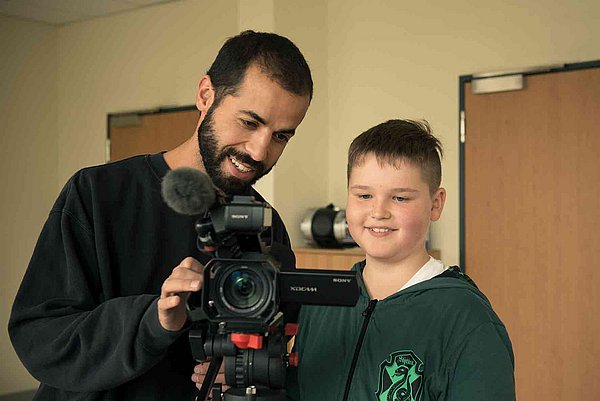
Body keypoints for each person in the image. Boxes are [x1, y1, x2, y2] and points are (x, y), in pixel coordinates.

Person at [8, 30, 313, 401]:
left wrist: (240, 369)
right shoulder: (97, 193)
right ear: (206, 95)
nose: (259, 151)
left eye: (281, 136)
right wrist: (153, 319)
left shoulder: (266, 225)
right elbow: (41, 336)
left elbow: (273, 346)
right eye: (249, 122)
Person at [285, 120, 516, 401]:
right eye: (364, 195)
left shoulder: (466, 318)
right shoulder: (323, 305)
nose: (378, 211)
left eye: (400, 198)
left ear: (435, 204)